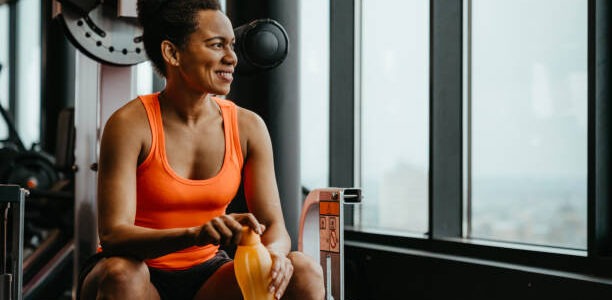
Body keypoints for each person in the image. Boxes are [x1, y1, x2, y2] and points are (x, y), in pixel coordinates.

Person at [77, 0, 325, 299]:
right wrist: (195, 234)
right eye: (216, 45)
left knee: (303, 270)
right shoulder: (129, 124)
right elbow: (114, 235)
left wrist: (275, 255)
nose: (232, 57)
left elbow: (273, 225)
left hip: (207, 273)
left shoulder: (248, 127)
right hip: (133, 270)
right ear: (172, 53)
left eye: (231, 45)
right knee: (123, 275)